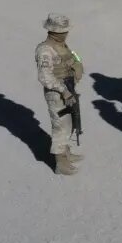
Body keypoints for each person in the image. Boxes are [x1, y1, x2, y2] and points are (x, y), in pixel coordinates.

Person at [35, 13, 84, 176]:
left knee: (69, 122)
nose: (66, 34)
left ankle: (65, 152)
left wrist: (77, 63)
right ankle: (60, 162)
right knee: (60, 125)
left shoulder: (62, 45)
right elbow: (45, 76)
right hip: (57, 93)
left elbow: (73, 55)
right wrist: (64, 91)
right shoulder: (44, 50)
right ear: (55, 32)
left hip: (69, 88)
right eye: (63, 31)